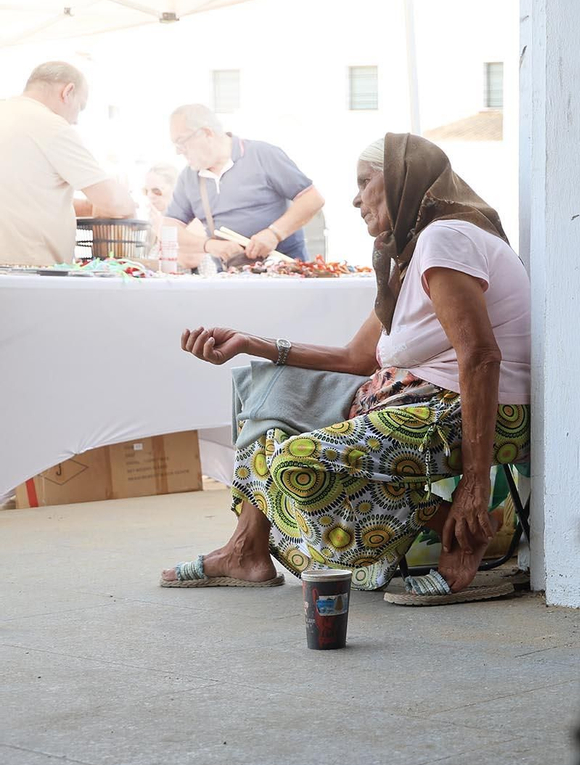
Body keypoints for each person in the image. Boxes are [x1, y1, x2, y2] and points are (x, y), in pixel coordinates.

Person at [159, 133, 532, 605]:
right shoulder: (413, 252)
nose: (355, 198)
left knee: (293, 463)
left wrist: (474, 487)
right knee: (262, 386)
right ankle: (245, 549)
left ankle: (462, 525)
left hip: (471, 409)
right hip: (404, 397)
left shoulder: (445, 239)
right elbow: (355, 359)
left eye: (365, 182)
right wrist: (250, 344)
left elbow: (479, 358)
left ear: (401, 181)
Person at [0, 61, 136, 266]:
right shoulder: (51, 126)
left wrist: (87, 207)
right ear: (68, 92)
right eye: (80, 107)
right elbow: (114, 203)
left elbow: (23, 194)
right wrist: (130, 205)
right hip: (27, 270)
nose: (76, 120)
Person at [166, 103, 324, 263]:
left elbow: (312, 199)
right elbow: (168, 228)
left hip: (285, 273)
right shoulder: (188, 177)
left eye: (181, 142)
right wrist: (209, 245)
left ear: (207, 133)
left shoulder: (262, 155)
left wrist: (274, 233)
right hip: (231, 276)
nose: (179, 151)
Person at [141, 163, 184, 259]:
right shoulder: (153, 220)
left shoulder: (188, 220)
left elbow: (187, 259)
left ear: (175, 189)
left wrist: (160, 231)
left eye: (156, 190)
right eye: (146, 191)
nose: (150, 195)